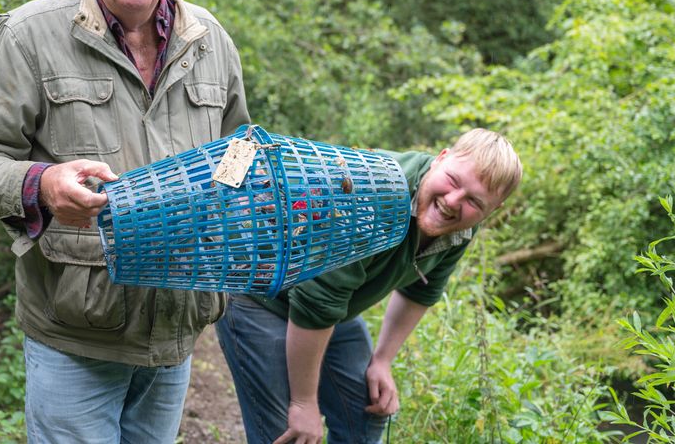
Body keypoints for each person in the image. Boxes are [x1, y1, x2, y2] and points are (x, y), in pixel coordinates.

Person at [0, 0, 249, 443]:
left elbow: (239, 149)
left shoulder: (210, 41)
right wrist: (41, 185)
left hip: (176, 330)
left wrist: (242, 196)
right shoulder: (30, 35)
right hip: (77, 335)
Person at [216, 128, 522, 444]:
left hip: (333, 311)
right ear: (440, 159)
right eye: (454, 182)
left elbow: (421, 291)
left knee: (365, 414)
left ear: (492, 209)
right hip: (261, 296)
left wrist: (383, 360)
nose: (453, 201)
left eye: (474, 200)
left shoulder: (460, 227)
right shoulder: (374, 194)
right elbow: (315, 303)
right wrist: (303, 402)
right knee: (287, 433)